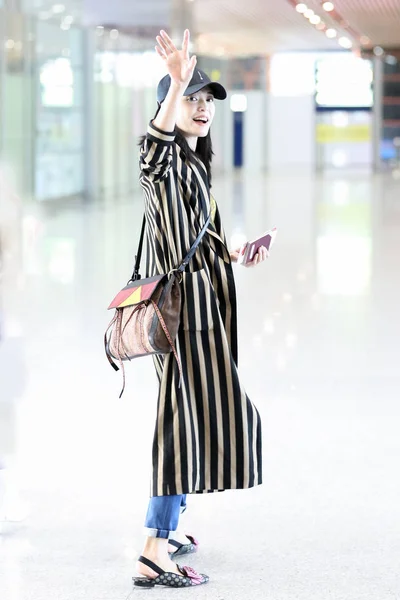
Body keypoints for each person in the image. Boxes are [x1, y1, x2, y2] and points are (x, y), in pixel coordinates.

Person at [133, 29, 268, 589]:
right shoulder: (163, 160)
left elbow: (201, 239)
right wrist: (174, 85)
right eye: (192, 97)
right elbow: (152, 143)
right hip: (184, 318)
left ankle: (167, 526)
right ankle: (152, 550)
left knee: (198, 419)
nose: (201, 107)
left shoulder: (193, 168)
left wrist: (235, 251)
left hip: (202, 314)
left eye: (207, 100)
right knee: (180, 424)